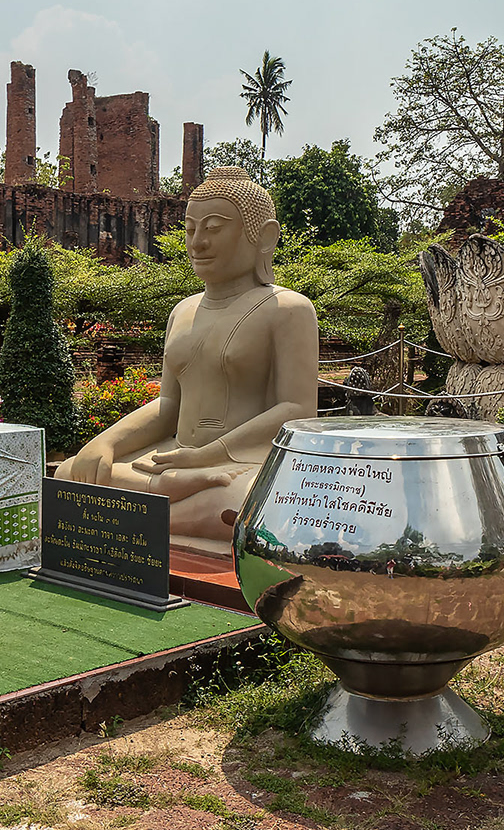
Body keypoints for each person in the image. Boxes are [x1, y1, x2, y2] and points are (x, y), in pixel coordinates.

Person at [57, 167, 319, 550]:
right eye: (191, 229)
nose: (198, 243)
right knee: (70, 474)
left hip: (238, 465)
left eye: (213, 228)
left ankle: (129, 518)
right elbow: (168, 405)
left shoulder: (287, 309)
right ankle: (160, 504)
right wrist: (105, 443)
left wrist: (205, 457)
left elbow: (296, 409)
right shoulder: (182, 311)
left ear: (264, 237)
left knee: (239, 506)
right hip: (172, 461)